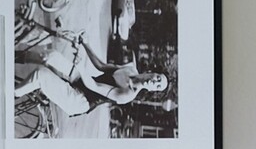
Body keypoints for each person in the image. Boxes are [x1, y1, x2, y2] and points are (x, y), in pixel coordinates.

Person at [14, 39, 168, 117]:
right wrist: (85, 43)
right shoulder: (130, 68)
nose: (154, 82)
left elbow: (94, 86)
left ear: (152, 90)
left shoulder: (127, 95)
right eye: (157, 78)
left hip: (81, 100)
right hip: (82, 81)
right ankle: (13, 56)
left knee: (40, 75)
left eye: (157, 86)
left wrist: (80, 65)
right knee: (50, 56)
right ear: (151, 72)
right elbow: (101, 66)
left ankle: (11, 94)